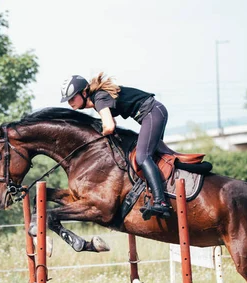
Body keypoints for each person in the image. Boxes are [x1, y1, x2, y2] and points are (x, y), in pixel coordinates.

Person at [60, 73, 171, 219]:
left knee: (143, 156)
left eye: (72, 98)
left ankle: (161, 203)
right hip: (152, 113)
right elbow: (111, 124)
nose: (70, 103)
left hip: (152, 112)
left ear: (84, 92)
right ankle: (161, 195)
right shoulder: (97, 100)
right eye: (68, 100)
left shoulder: (99, 98)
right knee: (152, 157)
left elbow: (109, 126)